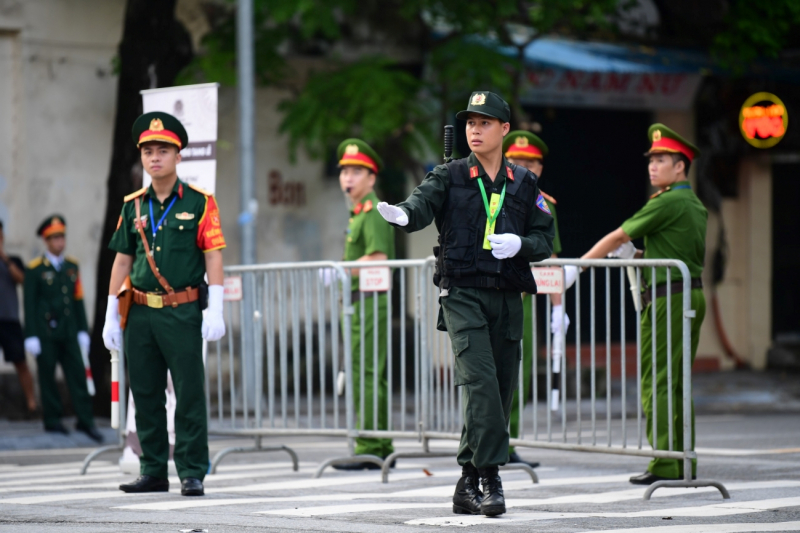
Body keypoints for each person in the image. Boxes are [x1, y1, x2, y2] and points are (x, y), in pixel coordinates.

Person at [377, 92, 554, 516]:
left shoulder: (525, 183)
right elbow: (420, 205)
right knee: (480, 383)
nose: (475, 130)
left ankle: (465, 481)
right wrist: (403, 214)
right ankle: (491, 476)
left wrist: (520, 244)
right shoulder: (450, 174)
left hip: (507, 297)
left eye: (484, 123)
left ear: (504, 130)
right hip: (462, 294)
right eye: (470, 123)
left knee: (500, 390)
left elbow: (544, 241)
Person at [568, 124, 706, 485]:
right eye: (651, 159)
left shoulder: (669, 201)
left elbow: (618, 235)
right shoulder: (692, 203)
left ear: (680, 167)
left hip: (668, 299)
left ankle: (665, 464)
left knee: (657, 381)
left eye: (661, 159)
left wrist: (576, 269)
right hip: (685, 294)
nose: (652, 166)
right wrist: (639, 254)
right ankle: (681, 461)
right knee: (679, 383)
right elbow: (671, 251)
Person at [103, 111, 227, 497]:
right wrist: (110, 313)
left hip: (181, 309)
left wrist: (217, 306)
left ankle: (191, 470)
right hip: (138, 311)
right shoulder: (133, 206)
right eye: (148, 151)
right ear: (142, 157)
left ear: (178, 156)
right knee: (145, 392)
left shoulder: (200, 203)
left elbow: (213, 255)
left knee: (188, 392)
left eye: (163, 150)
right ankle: (153, 469)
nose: (155, 157)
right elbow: (123, 259)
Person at [503, 130, 568, 469]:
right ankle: (487, 443)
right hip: (489, 290)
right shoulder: (494, 195)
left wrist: (559, 308)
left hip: (522, 296)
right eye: (516, 161)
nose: (522, 167)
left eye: (530, 163)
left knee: (519, 372)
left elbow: (551, 258)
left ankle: (507, 441)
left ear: (540, 169)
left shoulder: (544, 204)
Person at [330, 138, 396, 470]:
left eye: (357, 171)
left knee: (367, 372)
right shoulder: (359, 212)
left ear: (371, 177)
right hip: (360, 301)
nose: (348, 178)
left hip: (370, 300)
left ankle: (371, 444)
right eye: (345, 171)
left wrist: (341, 270)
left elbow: (378, 257)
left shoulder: (372, 212)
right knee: (368, 372)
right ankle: (379, 443)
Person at [23, 216, 101, 441]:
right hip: (45, 334)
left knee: (78, 375)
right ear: (46, 241)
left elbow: (78, 299)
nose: (60, 242)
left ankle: (85, 420)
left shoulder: (71, 266)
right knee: (47, 376)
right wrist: (31, 335)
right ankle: (52, 420)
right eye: (55, 238)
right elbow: (29, 303)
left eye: (62, 237)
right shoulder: (35, 269)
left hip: (69, 331)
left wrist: (83, 329)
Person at [0, 220, 37, 415]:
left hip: (10, 320)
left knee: (20, 362)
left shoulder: (13, 260)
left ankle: (32, 404)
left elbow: (23, 280)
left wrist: (4, 258)